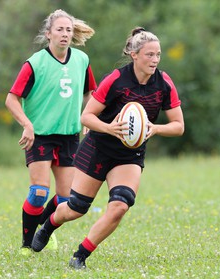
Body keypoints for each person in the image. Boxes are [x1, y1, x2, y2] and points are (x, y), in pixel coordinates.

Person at [31, 27, 185, 269]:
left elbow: (178, 126)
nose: (155, 60)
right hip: (98, 148)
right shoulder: (115, 79)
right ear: (134, 54)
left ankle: (79, 256)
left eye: (158, 55)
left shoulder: (163, 83)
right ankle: (49, 224)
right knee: (75, 209)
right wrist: (110, 128)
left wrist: (154, 129)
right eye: (149, 55)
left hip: (129, 155)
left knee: (120, 205)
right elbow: (87, 117)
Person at [5, 9, 97, 254]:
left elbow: (91, 94)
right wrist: (27, 124)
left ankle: (43, 229)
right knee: (38, 192)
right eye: (59, 29)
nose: (65, 34)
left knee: (67, 199)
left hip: (69, 136)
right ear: (48, 34)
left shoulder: (81, 60)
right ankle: (27, 244)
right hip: (41, 135)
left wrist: (88, 117)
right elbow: (11, 99)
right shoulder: (35, 63)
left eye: (68, 29)